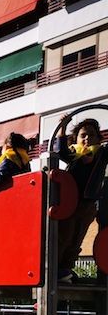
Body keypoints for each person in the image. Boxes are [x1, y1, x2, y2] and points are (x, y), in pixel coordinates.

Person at [56, 116, 108, 283]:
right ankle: (56, 267)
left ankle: (66, 268)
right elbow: (60, 151)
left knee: (77, 237)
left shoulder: (101, 154)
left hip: (87, 204)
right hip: (70, 202)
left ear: (98, 138)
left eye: (92, 135)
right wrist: (63, 127)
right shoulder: (74, 154)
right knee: (65, 234)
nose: (87, 139)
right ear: (76, 138)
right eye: (83, 135)